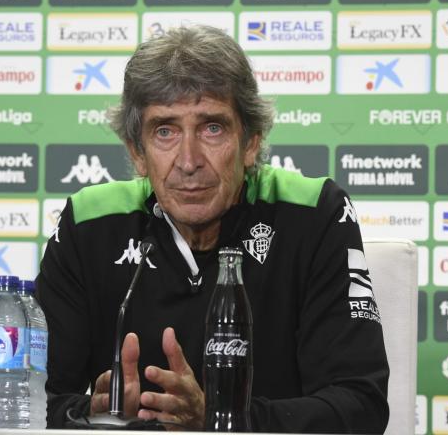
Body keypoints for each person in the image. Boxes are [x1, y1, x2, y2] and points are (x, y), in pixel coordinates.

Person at [36, 25, 389, 433]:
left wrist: (223, 420)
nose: (189, 160)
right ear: (137, 153)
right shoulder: (90, 223)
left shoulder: (314, 214)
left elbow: (361, 408)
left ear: (251, 142)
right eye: (164, 130)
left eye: (212, 128)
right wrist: (94, 412)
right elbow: (25, 402)